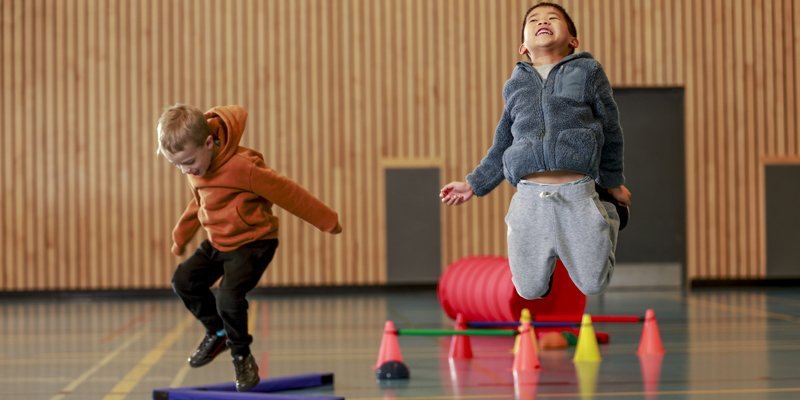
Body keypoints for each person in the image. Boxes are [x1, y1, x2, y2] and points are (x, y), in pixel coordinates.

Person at [440, 2, 631, 300]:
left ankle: (606, 213)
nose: (543, 21)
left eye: (553, 18)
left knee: (594, 285)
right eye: (534, 20)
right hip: (530, 198)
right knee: (528, 290)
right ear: (523, 46)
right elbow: (503, 143)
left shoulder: (587, 72)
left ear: (573, 41)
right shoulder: (515, 85)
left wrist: (612, 182)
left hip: (577, 194)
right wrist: (473, 185)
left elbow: (611, 128)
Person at [156, 104, 342, 392]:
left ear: (209, 143)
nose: (185, 170)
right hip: (219, 242)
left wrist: (326, 220)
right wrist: (180, 236)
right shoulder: (196, 167)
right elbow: (199, 203)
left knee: (228, 297)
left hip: (254, 242)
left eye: (188, 161)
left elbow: (288, 192)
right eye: (176, 165)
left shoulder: (243, 167)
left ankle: (242, 357)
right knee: (183, 280)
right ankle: (217, 332)